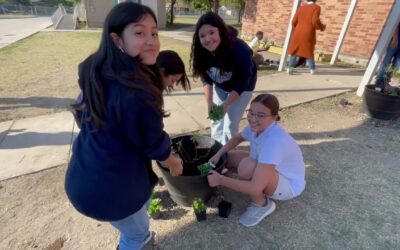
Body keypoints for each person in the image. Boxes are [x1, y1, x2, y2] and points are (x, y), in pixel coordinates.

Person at [64, 3, 183, 250]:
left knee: (129, 231)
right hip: (113, 191)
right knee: (137, 236)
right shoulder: (139, 93)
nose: (152, 41)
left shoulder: (95, 68)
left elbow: (84, 110)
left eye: (154, 33)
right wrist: (173, 162)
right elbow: (154, 144)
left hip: (81, 178)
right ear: (117, 39)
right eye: (140, 33)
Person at [207, 93, 305, 227]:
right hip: (270, 169)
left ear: (274, 117)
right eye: (251, 113)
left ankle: (262, 205)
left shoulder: (274, 141)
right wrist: (218, 153)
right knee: (229, 158)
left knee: (247, 168)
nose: (253, 119)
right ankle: (236, 175)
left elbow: (254, 188)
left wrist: (221, 180)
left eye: (261, 115)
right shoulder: (256, 127)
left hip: (288, 185)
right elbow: (237, 138)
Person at [73, 50, 191, 128]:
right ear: (162, 72)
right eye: (173, 80)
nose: (171, 85)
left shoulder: (146, 72)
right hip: (89, 113)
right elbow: (145, 129)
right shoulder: (142, 84)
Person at [190, 12, 257, 145]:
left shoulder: (240, 50)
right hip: (221, 87)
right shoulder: (202, 51)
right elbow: (206, 78)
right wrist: (210, 104)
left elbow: (243, 81)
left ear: (220, 30)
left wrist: (226, 104)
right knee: (216, 120)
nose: (207, 39)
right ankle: (216, 150)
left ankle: (227, 154)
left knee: (230, 125)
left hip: (242, 88)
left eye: (211, 32)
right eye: (202, 35)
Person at [287, 0, 326, 75]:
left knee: (295, 50)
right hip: (308, 32)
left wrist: (298, 28)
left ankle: (290, 69)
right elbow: (314, 21)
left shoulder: (302, 8)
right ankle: (312, 69)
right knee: (308, 51)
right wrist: (321, 27)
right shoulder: (317, 7)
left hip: (298, 32)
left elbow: (293, 22)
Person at [374, 23, 400, 92]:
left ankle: (387, 81)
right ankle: (379, 80)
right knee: (386, 60)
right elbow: (396, 24)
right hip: (397, 38)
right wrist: (395, 38)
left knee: (397, 64)